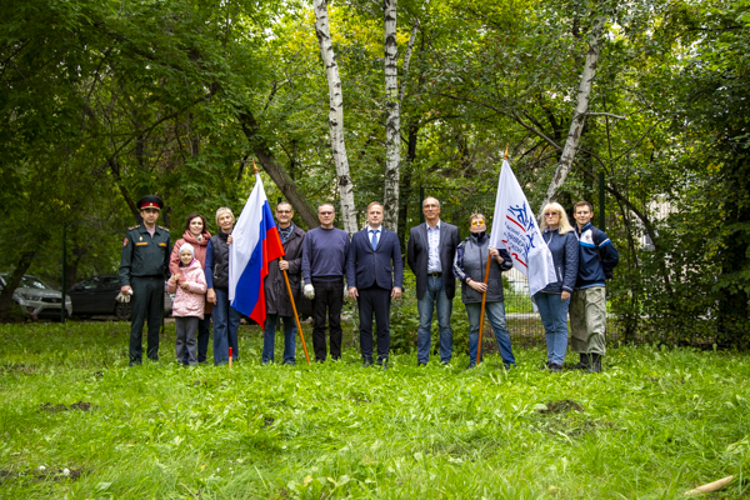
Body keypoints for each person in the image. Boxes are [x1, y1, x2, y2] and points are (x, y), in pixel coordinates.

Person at [453, 213, 515, 369]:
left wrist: (498, 257)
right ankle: (475, 362)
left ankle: (509, 363)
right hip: (472, 293)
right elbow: (456, 267)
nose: (478, 224)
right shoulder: (463, 246)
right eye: (475, 223)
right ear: (470, 227)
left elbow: (508, 264)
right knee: (474, 328)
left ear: (486, 225)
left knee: (500, 326)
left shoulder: (496, 244)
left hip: (493, 293)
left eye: (481, 222)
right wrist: (471, 282)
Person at [347, 202, 403, 368]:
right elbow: (350, 262)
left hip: (384, 286)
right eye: (372, 213)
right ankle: (366, 358)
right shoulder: (357, 237)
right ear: (367, 215)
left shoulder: (391, 236)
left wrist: (398, 285)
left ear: (383, 215)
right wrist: (351, 284)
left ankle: (383, 358)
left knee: (383, 325)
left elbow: (398, 262)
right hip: (363, 286)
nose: (375, 215)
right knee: (364, 324)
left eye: (378, 212)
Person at [407, 197, 460, 365]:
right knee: (424, 324)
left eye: (433, 206)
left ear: (439, 209)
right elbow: (411, 259)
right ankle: (422, 359)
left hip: (446, 282)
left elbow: (458, 257)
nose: (430, 209)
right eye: (426, 206)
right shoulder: (415, 232)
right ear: (423, 211)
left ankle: (446, 360)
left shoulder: (452, 230)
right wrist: (421, 273)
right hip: (425, 282)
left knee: (444, 323)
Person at [119, 195, 171, 366]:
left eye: (154, 212)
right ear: (141, 214)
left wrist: (172, 281)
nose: (151, 215)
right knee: (138, 321)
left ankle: (152, 356)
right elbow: (125, 262)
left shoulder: (164, 235)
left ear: (158, 215)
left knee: (156, 321)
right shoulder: (133, 233)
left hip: (157, 282)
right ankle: (135, 359)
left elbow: (169, 262)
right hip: (139, 282)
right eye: (147, 211)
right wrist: (125, 283)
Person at [569, 200, 619, 373]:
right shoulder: (570, 235)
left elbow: (613, 257)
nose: (582, 215)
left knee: (595, 323)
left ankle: (596, 362)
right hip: (575, 287)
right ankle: (583, 359)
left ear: (591, 214)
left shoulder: (598, 235)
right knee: (578, 323)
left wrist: (600, 272)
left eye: (585, 212)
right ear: (574, 215)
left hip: (594, 285)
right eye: (579, 212)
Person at [301, 203, 350, 362]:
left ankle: (336, 356)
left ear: (334, 215)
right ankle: (320, 357)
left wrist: (348, 283)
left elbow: (348, 261)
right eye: (323, 213)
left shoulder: (343, 235)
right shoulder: (311, 235)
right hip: (318, 283)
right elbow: (306, 260)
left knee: (336, 321)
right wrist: (307, 282)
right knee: (319, 322)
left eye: (329, 212)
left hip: (336, 282)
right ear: (318, 215)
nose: (326, 215)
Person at [534, 202, 579, 372]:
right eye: (547, 214)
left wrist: (567, 287)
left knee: (559, 325)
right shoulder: (539, 237)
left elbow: (572, 263)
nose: (550, 216)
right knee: (548, 325)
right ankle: (551, 358)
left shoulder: (569, 236)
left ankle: (557, 362)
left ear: (561, 216)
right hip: (541, 288)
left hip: (558, 288)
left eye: (554, 213)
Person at [262, 202, 306, 365]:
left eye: (287, 211)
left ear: (292, 213)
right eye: (281, 212)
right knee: (270, 323)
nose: (284, 214)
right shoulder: (268, 234)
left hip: (290, 284)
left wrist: (291, 265)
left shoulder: (301, 235)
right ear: (276, 213)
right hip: (270, 284)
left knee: (290, 323)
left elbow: (306, 260)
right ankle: (267, 358)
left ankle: (289, 358)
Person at [169, 213, 212, 364]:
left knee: (204, 326)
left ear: (203, 226)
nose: (196, 226)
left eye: (199, 223)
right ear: (188, 225)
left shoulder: (209, 242)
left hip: (204, 287)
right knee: (186, 330)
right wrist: (183, 282)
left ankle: (201, 358)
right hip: (186, 292)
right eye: (193, 223)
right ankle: (185, 358)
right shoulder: (181, 243)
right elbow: (174, 263)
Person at [205, 207, 241, 366]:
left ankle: (234, 356)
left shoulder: (240, 238)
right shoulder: (212, 241)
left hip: (235, 288)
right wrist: (210, 288)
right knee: (220, 323)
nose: (225, 220)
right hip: (219, 287)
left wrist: (236, 245)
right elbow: (208, 265)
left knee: (233, 322)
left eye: (228, 217)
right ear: (218, 222)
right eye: (222, 218)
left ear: (233, 219)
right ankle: (221, 359)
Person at [168, 243, 207, 366]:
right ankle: (180, 361)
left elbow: (203, 288)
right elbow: (170, 291)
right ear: (179, 257)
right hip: (179, 308)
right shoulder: (178, 272)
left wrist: (189, 285)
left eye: (188, 254)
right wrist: (172, 282)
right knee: (180, 338)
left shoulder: (198, 271)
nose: (185, 257)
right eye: (183, 255)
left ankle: (192, 361)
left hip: (193, 309)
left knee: (190, 338)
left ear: (192, 256)